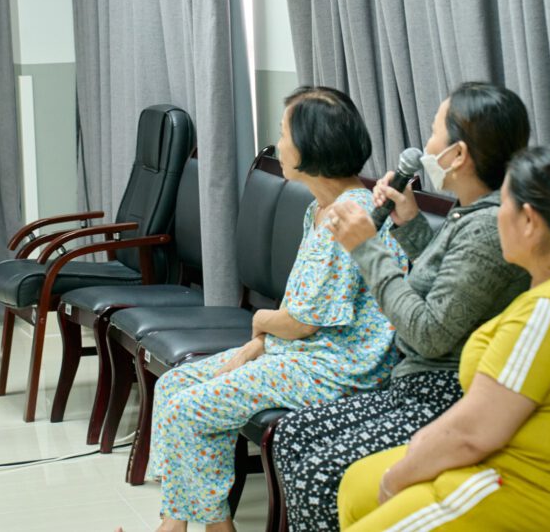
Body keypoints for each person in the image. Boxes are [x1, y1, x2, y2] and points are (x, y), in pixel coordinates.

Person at [338, 144, 550, 531]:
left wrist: (397, 479)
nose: (495, 216)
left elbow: (471, 434)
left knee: (377, 487)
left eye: (503, 204)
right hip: (501, 466)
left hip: (531, 494)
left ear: (529, 221)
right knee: (357, 483)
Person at [146, 87, 408, 532]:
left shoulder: (351, 216)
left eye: (284, 133)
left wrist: (259, 323)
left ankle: (202, 529)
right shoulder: (320, 210)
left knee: (189, 409)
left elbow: (302, 322)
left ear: (311, 146)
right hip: (299, 354)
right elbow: (300, 302)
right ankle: (180, 523)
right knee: (175, 386)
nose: (279, 143)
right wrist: (259, 344)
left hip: (337, 368)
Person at [273, 82, 532, 531]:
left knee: (319, 471)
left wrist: (367, 248)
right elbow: (449, 284)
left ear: (457, 155)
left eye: (434, 133)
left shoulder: (488, 228)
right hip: (413, 383)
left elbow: (429, 333)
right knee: (292, 435)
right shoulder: (469, 213)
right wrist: (409, 223)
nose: (424, 145)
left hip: (444, 395)